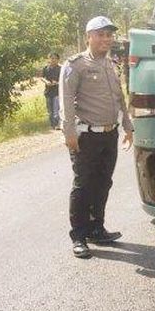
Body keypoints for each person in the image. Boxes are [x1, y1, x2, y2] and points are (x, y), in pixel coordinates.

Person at [59, 16, 134, 259]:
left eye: (109, 34)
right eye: (100, 34)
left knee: (103, 183)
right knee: (83, 186)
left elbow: (118, 96)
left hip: (109, 133)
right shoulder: (75, 64)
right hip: (86, 136)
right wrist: (68, 132)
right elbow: (66, 100)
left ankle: (96, 228)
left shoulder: (111, 63)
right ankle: (79, 236)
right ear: (88, 36)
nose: (106, 39)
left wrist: (127, 123)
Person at [42, 52, 61, 129]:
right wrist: (46, 82)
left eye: (55, 58)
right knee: (50, 111)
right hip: (48, 92)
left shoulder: (61, 69)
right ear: (49, 59)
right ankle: (52, 125)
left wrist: (57, 83)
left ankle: (57, 124)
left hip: (57, 92)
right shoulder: (46, 68)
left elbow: (65, 80)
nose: (53, 60)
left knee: (56, 110)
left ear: (58, 60)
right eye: (51, 58)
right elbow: (42, 77)